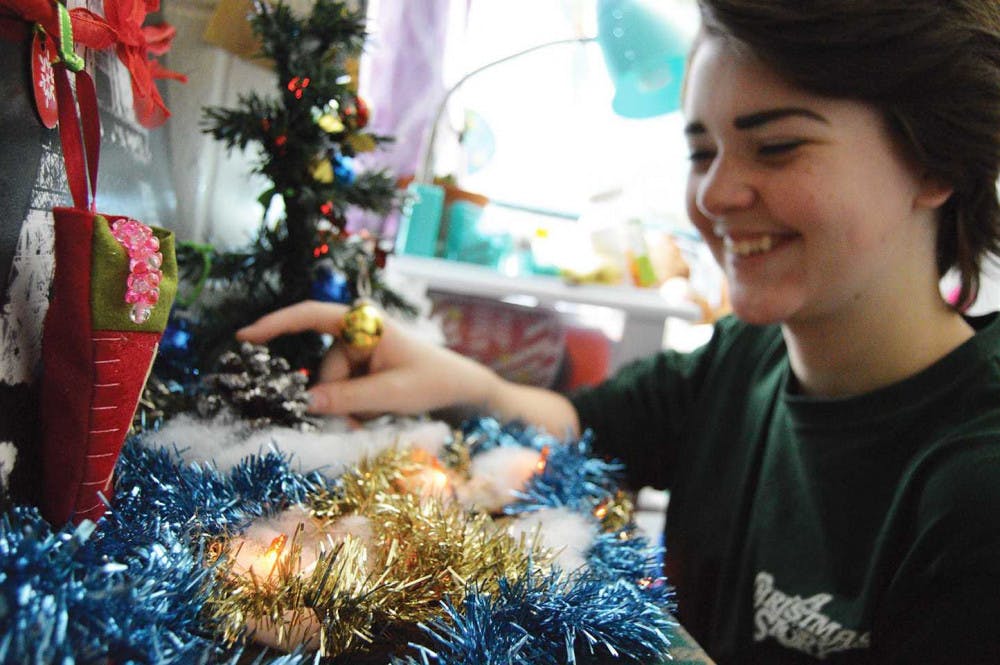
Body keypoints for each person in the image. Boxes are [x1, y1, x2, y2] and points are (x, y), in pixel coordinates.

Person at [238, 0, 1000, 662]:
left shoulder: (973, 486)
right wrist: (459, 379)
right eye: (701, 151)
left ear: (937, 163)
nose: (715, 193)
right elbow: (585, 425)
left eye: (777, 146)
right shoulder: (741, 359)